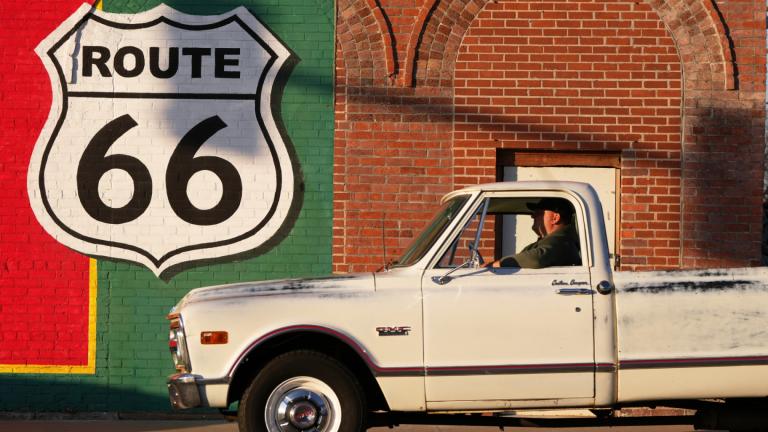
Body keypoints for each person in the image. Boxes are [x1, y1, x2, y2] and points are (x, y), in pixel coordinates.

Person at [490, 198, 581, 269]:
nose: (532, 216)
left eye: (539, 213)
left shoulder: (562, 242)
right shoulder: (551, 241)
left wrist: (499, 264)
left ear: (555, 218)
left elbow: (536, 259)